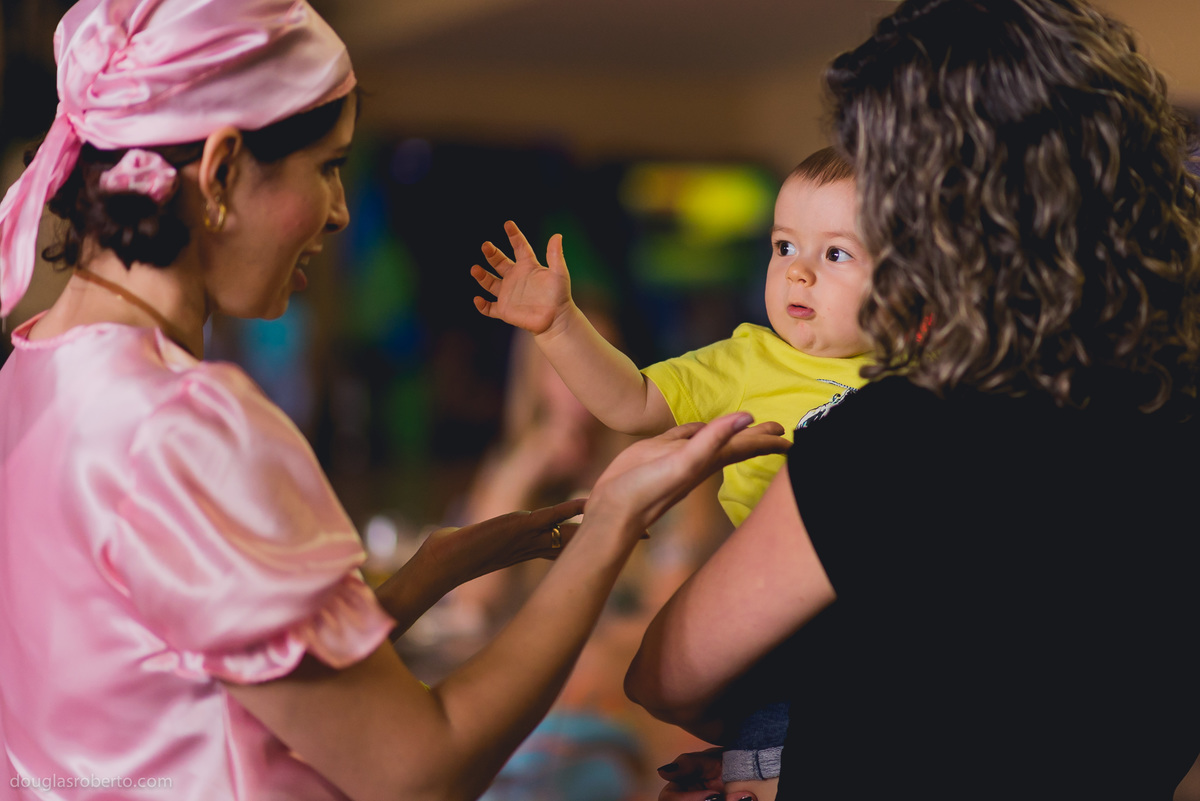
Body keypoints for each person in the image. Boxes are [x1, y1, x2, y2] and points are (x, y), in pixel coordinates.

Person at [0, 2, 789, 800]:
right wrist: (610, 522)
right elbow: (420, 770)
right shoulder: (183, 424)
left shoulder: (30, 377)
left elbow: (189, 679)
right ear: (222, 169)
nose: (341, 210)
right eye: (327, 166)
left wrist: (426, 575)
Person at [624, 0, 1200, 798]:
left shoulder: (893, 436)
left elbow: (668, 675)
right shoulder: (1175, 409)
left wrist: (807, 743)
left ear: (944, 218)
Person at [471, 147, 874, 529]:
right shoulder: (746, 361)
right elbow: (634, 401)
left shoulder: (912, 371)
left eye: (835, 253)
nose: (796, 271)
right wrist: (560, 326)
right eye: (784, 247)